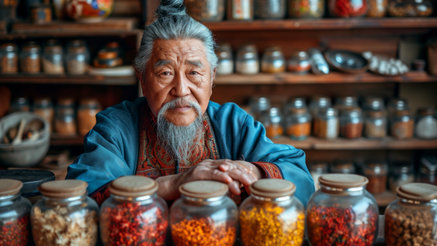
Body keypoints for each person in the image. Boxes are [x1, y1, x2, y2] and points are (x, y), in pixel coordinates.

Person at [66, 0, 314, 206]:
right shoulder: (116, 128)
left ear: (212, 77)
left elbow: (300, 178)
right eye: (165, 74)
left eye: (194, 73)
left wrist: (253, 172)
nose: (181, 90)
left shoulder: (232, 123)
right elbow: (83, 199)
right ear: (142, 78)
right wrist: (175, 184)